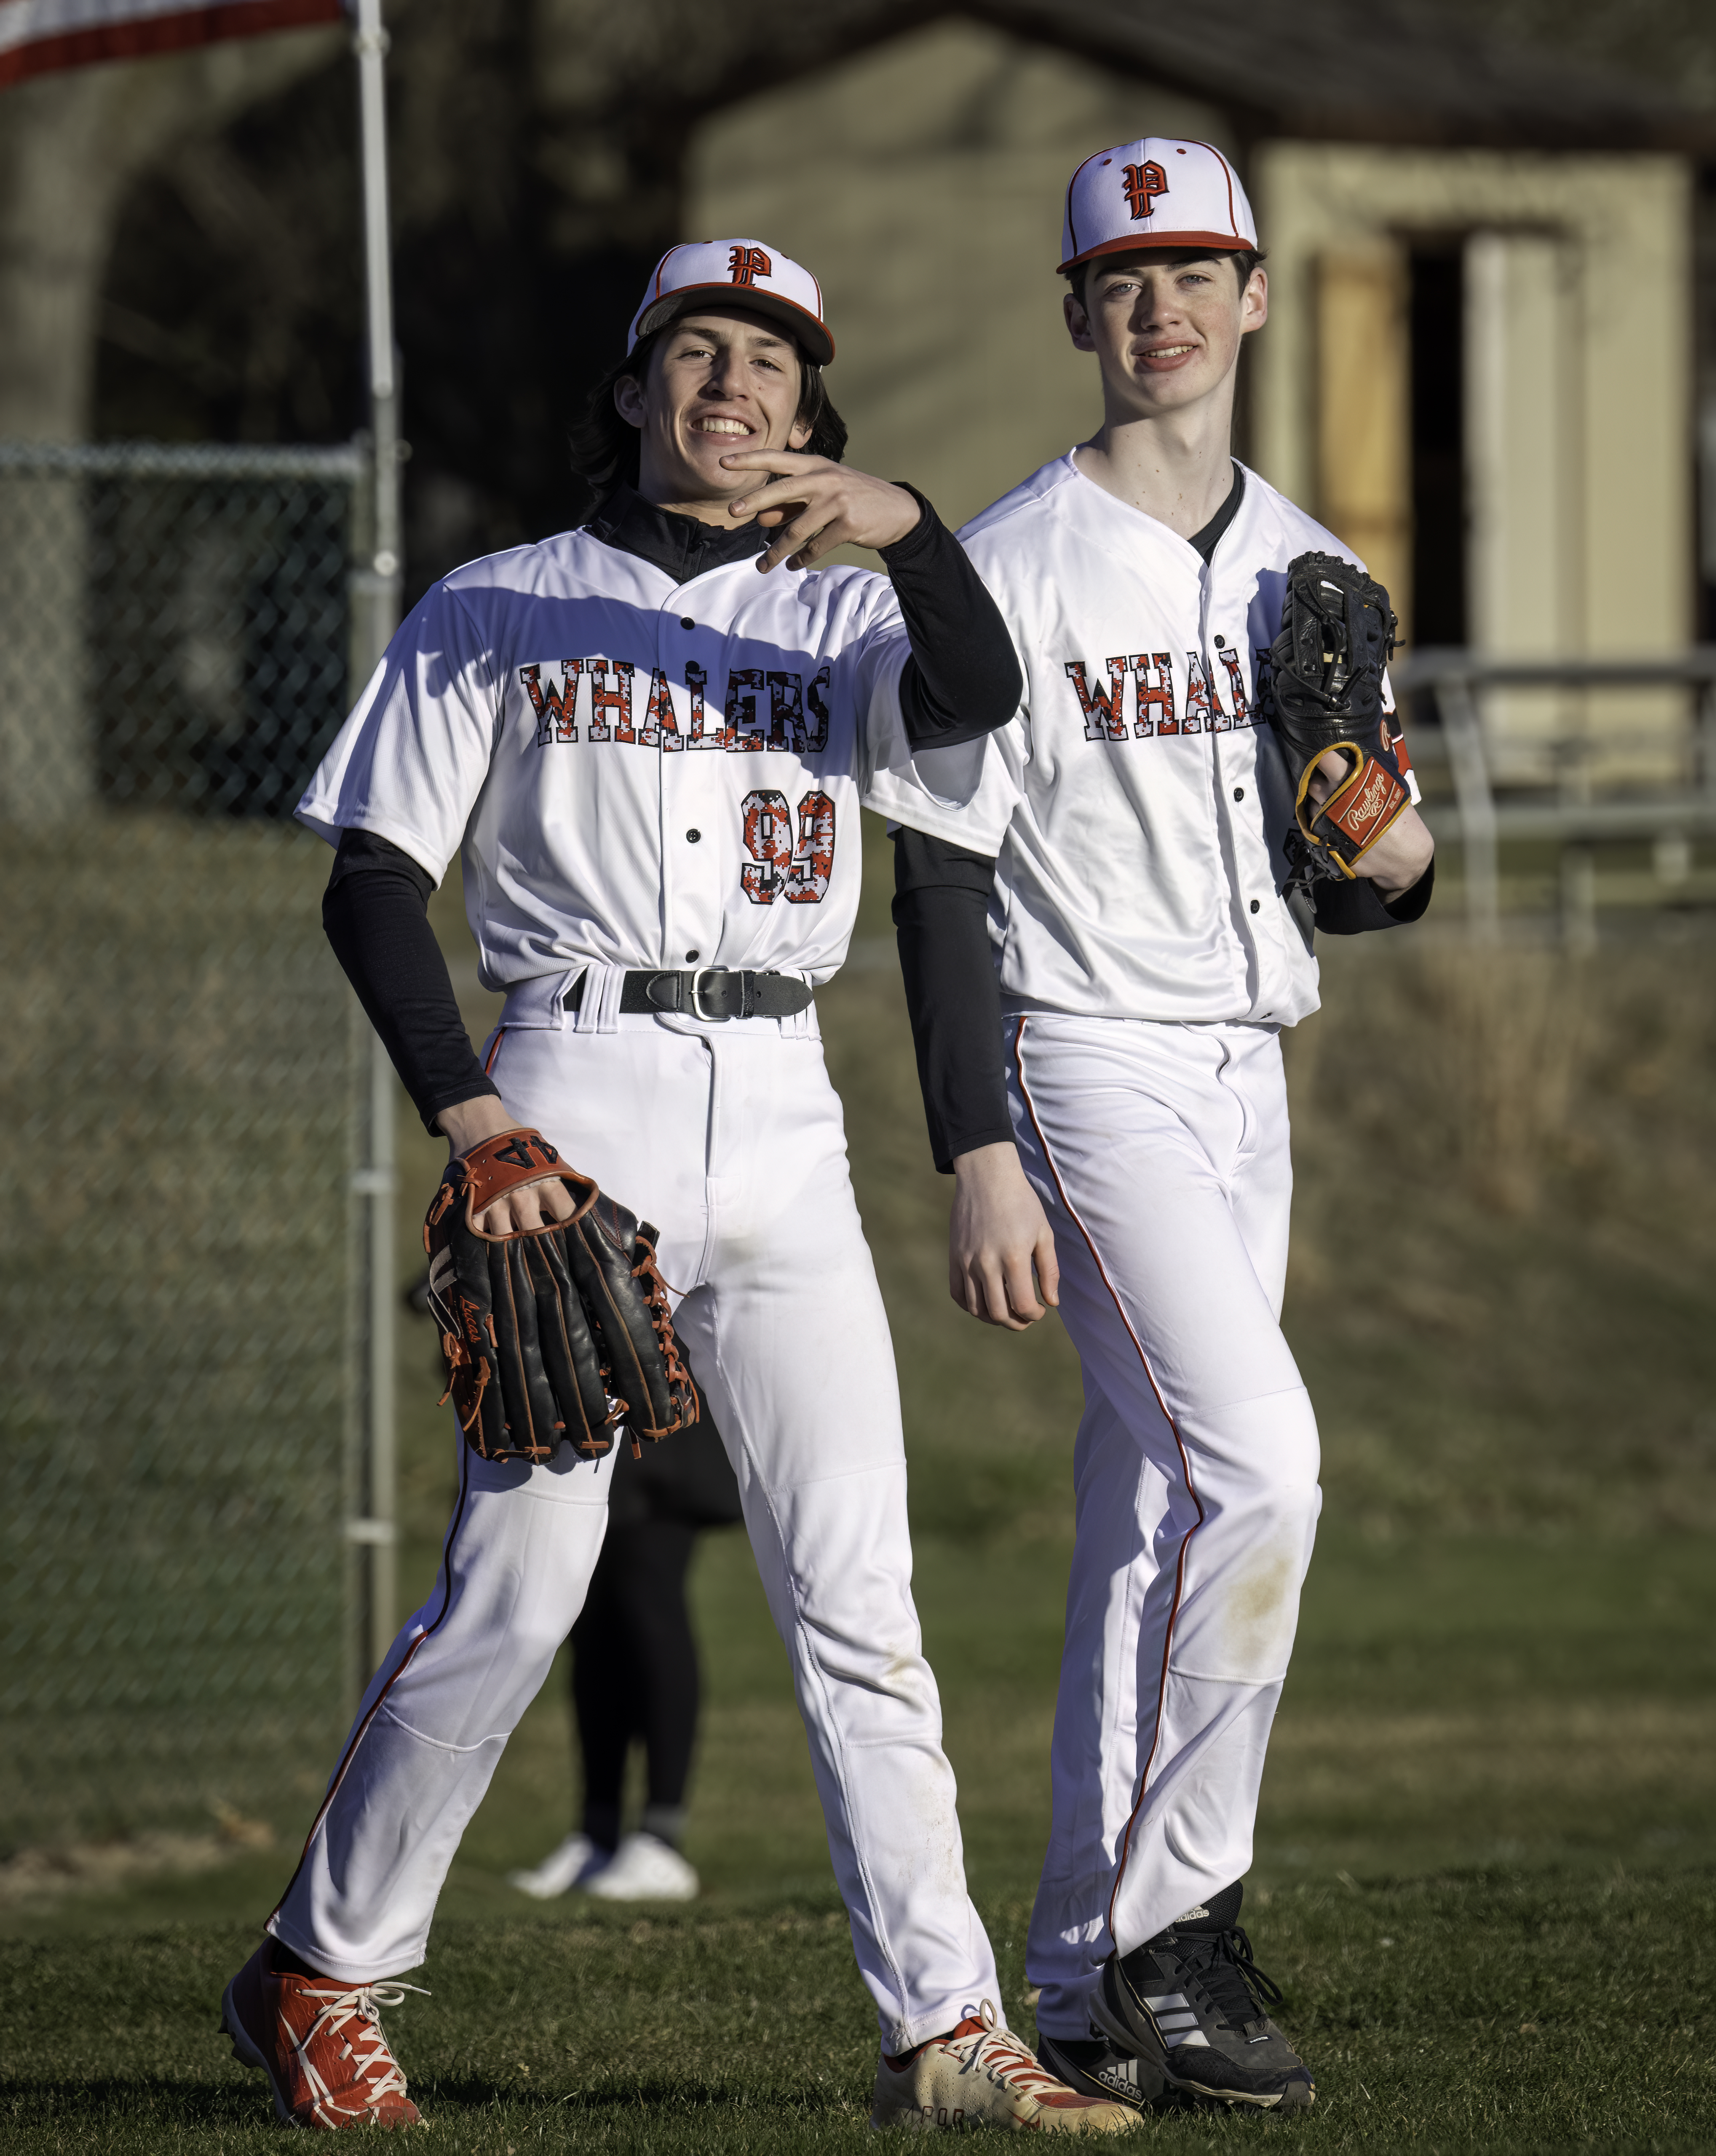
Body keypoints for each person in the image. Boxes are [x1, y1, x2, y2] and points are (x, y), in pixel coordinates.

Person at [216, 238, 1137, 2135]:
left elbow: (969, 695)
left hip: (783, 1096)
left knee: (857, 1591)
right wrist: (470, 1116)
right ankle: (321, 1967)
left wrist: (909, 527)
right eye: (694, 353)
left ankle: (944, 2029)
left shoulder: (847, 617)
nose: (733, 386)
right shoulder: (498, 601)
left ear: (809, 412)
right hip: (574, 1083)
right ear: (634, 394)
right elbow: (373, 879)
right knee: (524, 1574)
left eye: (771, 363)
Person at [866, 141, 1435, 2117]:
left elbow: (1370, 866)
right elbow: (933, 875)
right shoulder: (1013, 561)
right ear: (1079, 316)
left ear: (1257, 296)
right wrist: (978, 1148)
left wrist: (1390, 845)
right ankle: (1181, 1936)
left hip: (1244, 1060)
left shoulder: (1310, 562)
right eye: (1124, 278)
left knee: (1147, 1525)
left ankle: (1078, 1975)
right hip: (1079, 1053)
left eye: (1196, 269)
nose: (1163, 306)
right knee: (1262, 1469)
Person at [507, 1405, 743, 1904]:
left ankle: (661, 1840)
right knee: (591, 1620)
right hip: (590, 1402)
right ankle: (598, 1834)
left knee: (650, 1595)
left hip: (662, 1403)